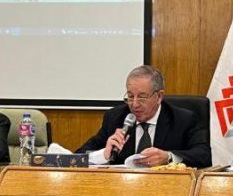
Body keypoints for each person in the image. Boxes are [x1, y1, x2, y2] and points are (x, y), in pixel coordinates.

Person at [76, 65, 211, 168]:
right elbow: (76, 157)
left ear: (159, 96)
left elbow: (204, 156)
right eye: (130, 96)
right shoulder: (115, 117)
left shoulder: (183, 119)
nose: (134, 104)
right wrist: (103, 154)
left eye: (142, 97)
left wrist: (169, 157)